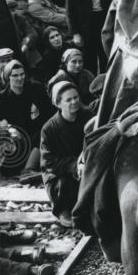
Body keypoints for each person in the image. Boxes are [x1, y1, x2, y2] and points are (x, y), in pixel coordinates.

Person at [40, 82, 92, 228]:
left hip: (87, 165)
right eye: (68, 100)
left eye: (76, 98)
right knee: (63, 185)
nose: (74, 102)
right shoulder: (49, 129)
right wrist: (75, 165)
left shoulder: (88, 116)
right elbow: (49, 162)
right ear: (58, 103)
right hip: (60, 174)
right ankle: (64, 210)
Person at [0, 59, 51, 149]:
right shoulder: (2, 97)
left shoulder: (36, 88)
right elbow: (2, 122)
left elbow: (49, 112)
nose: (20, 78)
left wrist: (38, 112)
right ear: (8, 77)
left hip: (39, 134)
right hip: (18, 139)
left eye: (22, 74)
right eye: (15, 75)